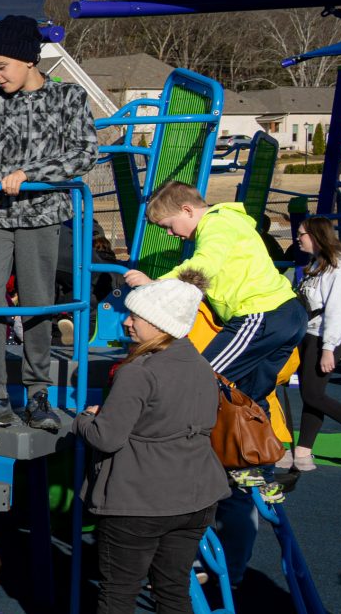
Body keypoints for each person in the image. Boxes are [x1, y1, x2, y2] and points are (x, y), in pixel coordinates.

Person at [54, 278, 225, 614]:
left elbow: (108, 438)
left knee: (119, 589)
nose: (127, 321)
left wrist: (80, 421)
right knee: (173, 588)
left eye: (137, 316)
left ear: (161, 322)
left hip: (139, 496)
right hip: (195, 492)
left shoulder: (138, 371)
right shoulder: (199, 363)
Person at [0, 15, 99, 430]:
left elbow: (84, 153)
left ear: (29, 60)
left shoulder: (68, 98)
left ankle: (38, 391)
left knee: (37, 300)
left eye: (0, 67)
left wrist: (32, 174)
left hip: (42, 214)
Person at [127, 180, 308, 482]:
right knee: (249, 395)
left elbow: (203, 266)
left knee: (200, 376)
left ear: (187, 210)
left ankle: (182, 456)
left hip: (260, 314)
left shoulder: (216, 224)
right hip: (287, 314)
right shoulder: (230, 223)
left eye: (170, 226)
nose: (172, 234)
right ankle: (258, 468)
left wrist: (156, 285)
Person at [288, 216, 341, 471]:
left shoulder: (339, 269)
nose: (297, 238)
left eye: (301, 234)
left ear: (315, 235)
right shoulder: (318, 263)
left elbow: (338, 312)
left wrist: (328, 349)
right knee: (312, 394)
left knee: (313, 394)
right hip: (312, 334)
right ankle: (302, 452)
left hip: (327, 337)